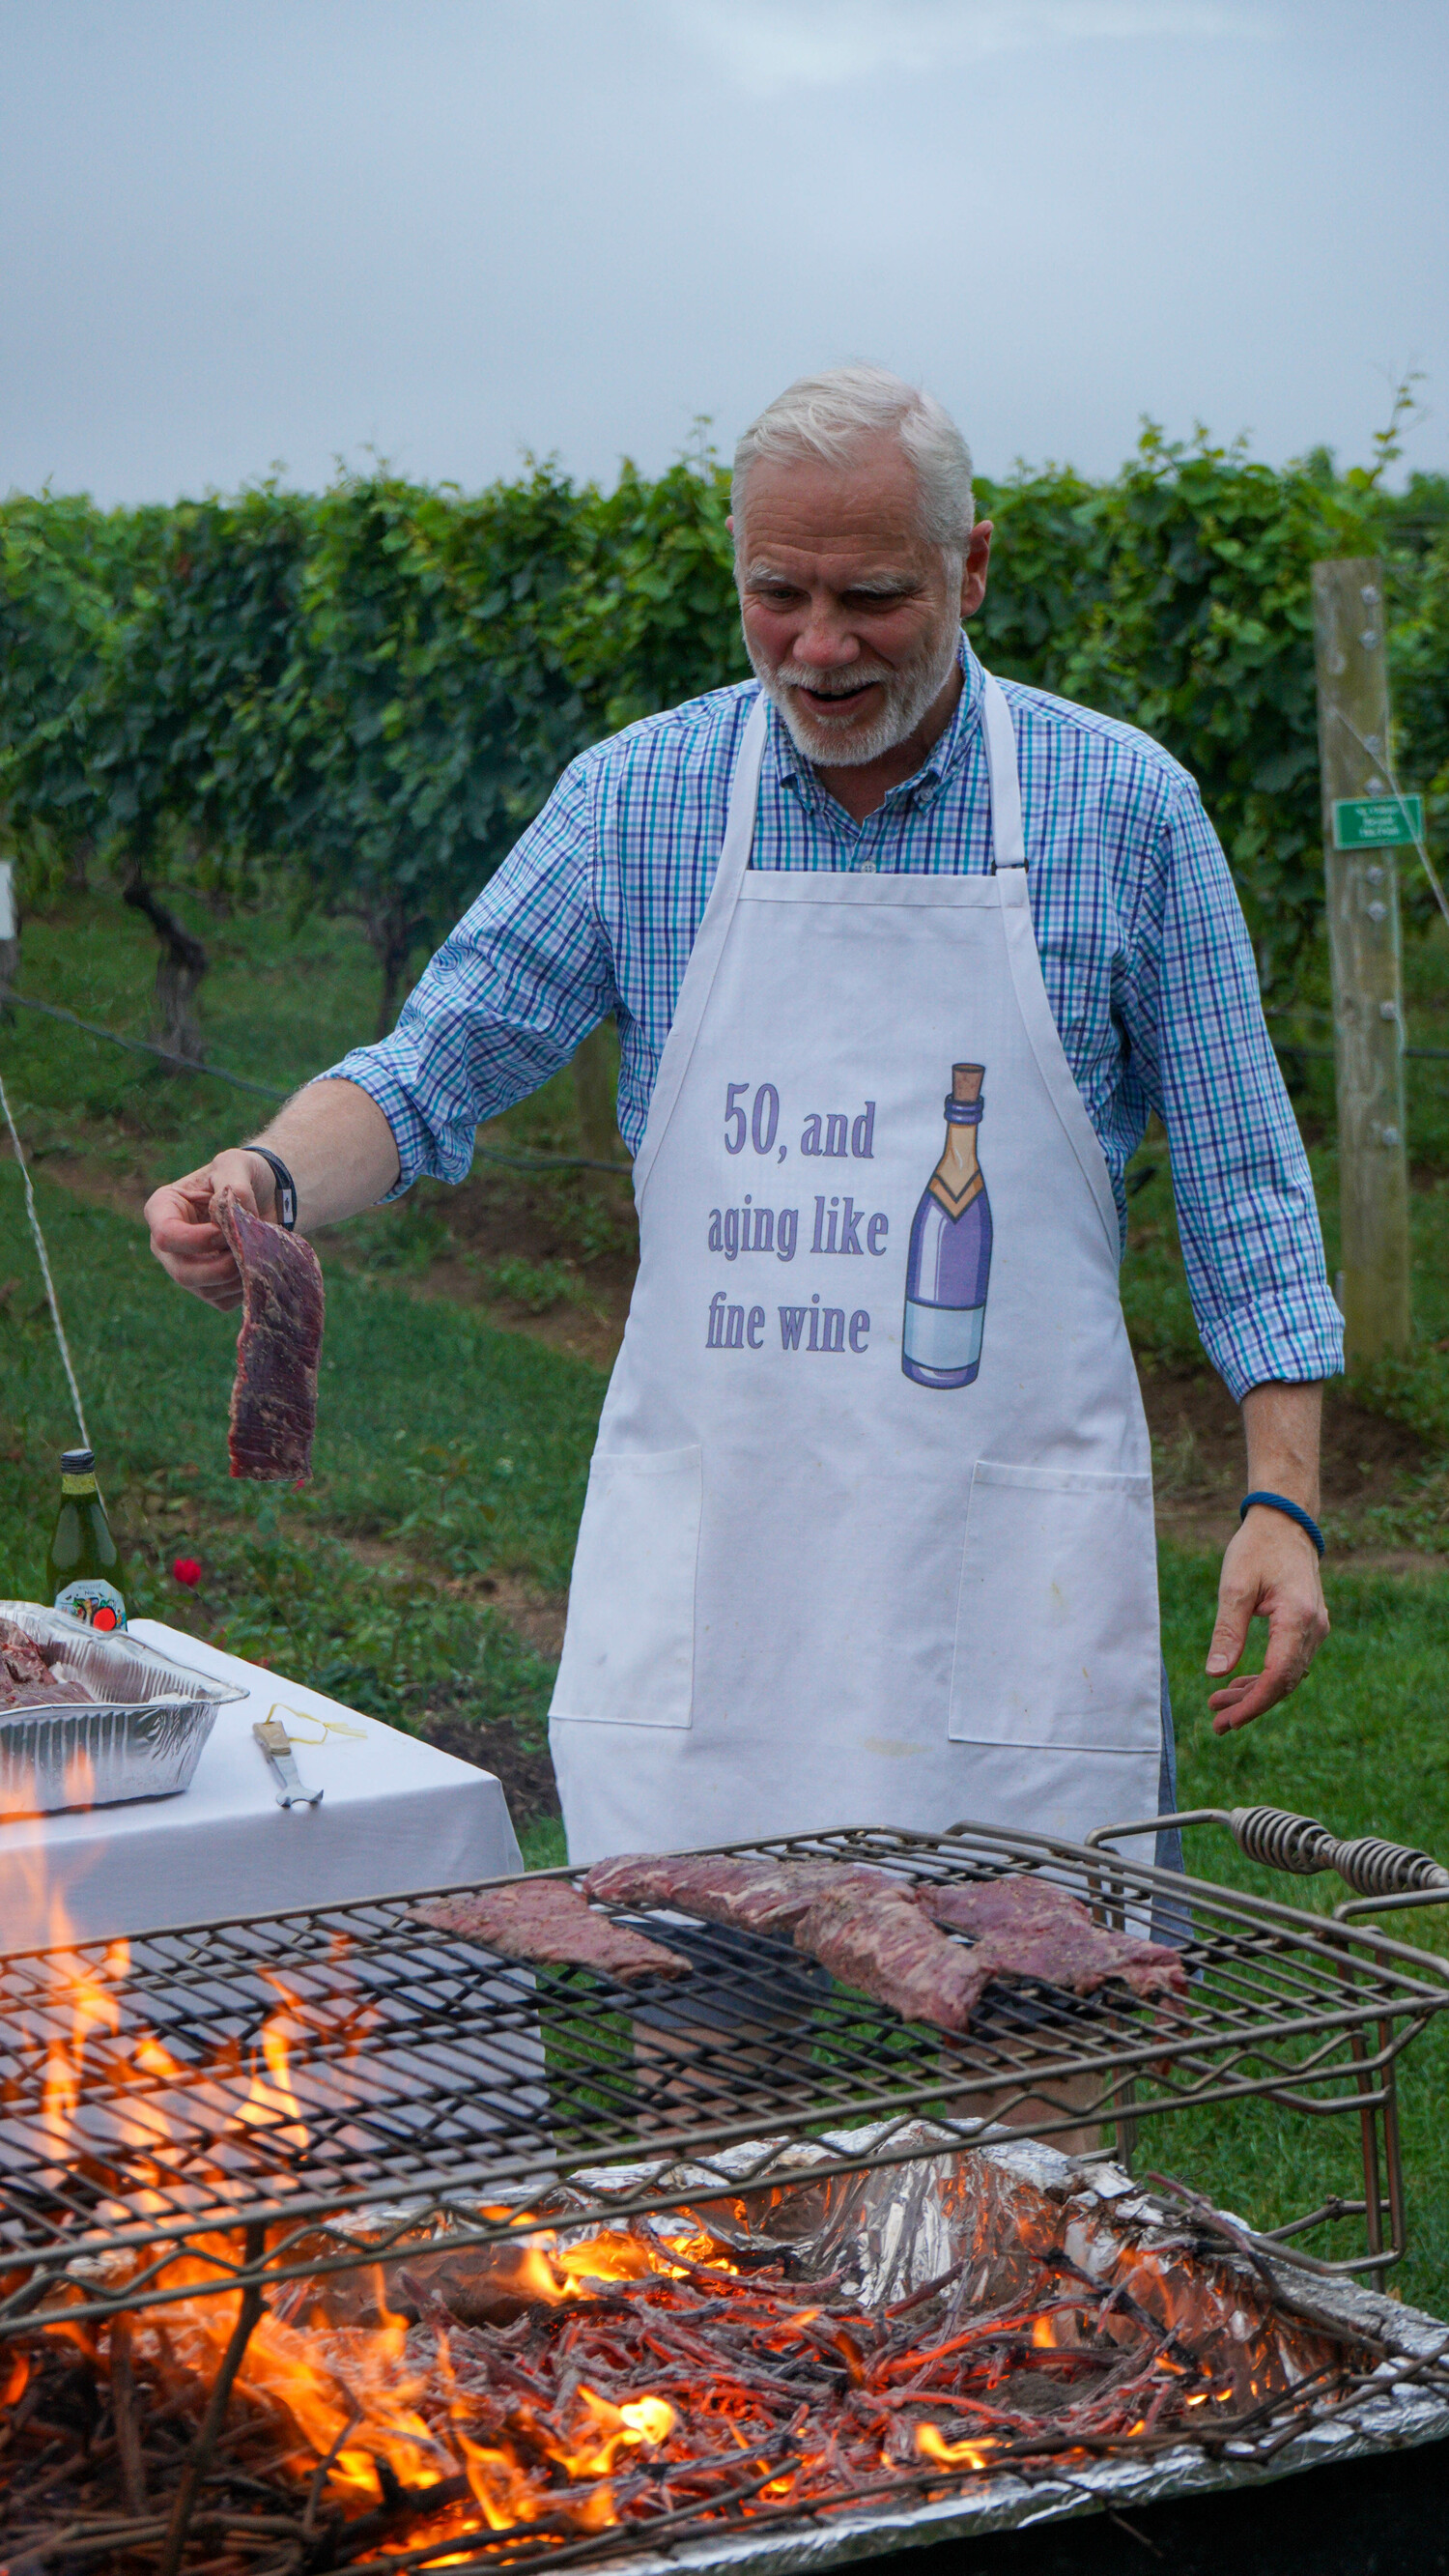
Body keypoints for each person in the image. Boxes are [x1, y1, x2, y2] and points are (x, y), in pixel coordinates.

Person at [145, 364, 1340, 1876]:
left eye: (874, 598)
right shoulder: (635, 800)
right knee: (713, 2075)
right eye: (778, 593)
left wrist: (1282, 1499)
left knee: (1036, 2079)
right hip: (719, 1596)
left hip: (1005, 1583)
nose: (820, 647)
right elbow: (429, 1067)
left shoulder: (1126, 810)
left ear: (974, 566)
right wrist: (263, 1175)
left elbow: (1247, 1191)